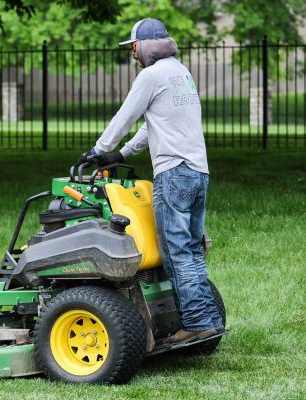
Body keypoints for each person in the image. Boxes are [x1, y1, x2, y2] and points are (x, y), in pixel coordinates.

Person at [79, 18, 223, 345]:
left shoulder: (150, 75)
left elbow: (126, 116)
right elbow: (154, 122)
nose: (133, 56)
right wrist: (125, 153)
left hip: (173, 174)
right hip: (198, 172)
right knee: (192, 250)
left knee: (176, 251)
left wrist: (99, 150)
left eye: (133, 48)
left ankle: (198, 321)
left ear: (143, 46)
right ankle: (209, 319)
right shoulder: (180, 72)